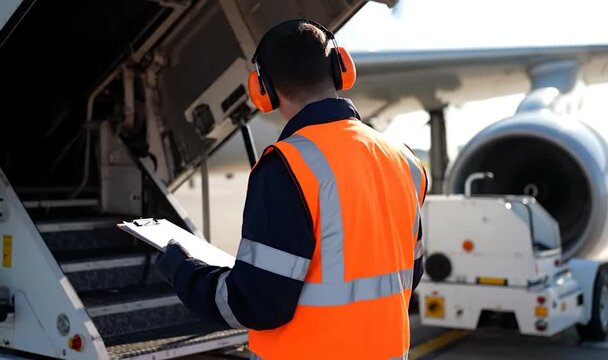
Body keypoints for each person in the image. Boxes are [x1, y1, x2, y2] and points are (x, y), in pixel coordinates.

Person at [156, 19, 428, 360]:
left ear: (262, 91)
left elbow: (257, 304)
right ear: (341, 68)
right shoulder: (404, 159)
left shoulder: (286, 166)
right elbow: (410, 272)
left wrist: (182, 271)